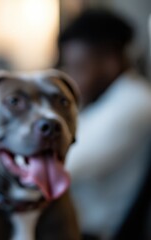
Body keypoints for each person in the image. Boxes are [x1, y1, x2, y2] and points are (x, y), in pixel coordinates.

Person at [57, 8, 151, 240]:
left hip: (90, 233)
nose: (72, 80)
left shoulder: (133, 102)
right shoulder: (105, 100)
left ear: (110, 62)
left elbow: (64, 164)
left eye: (79, 68)